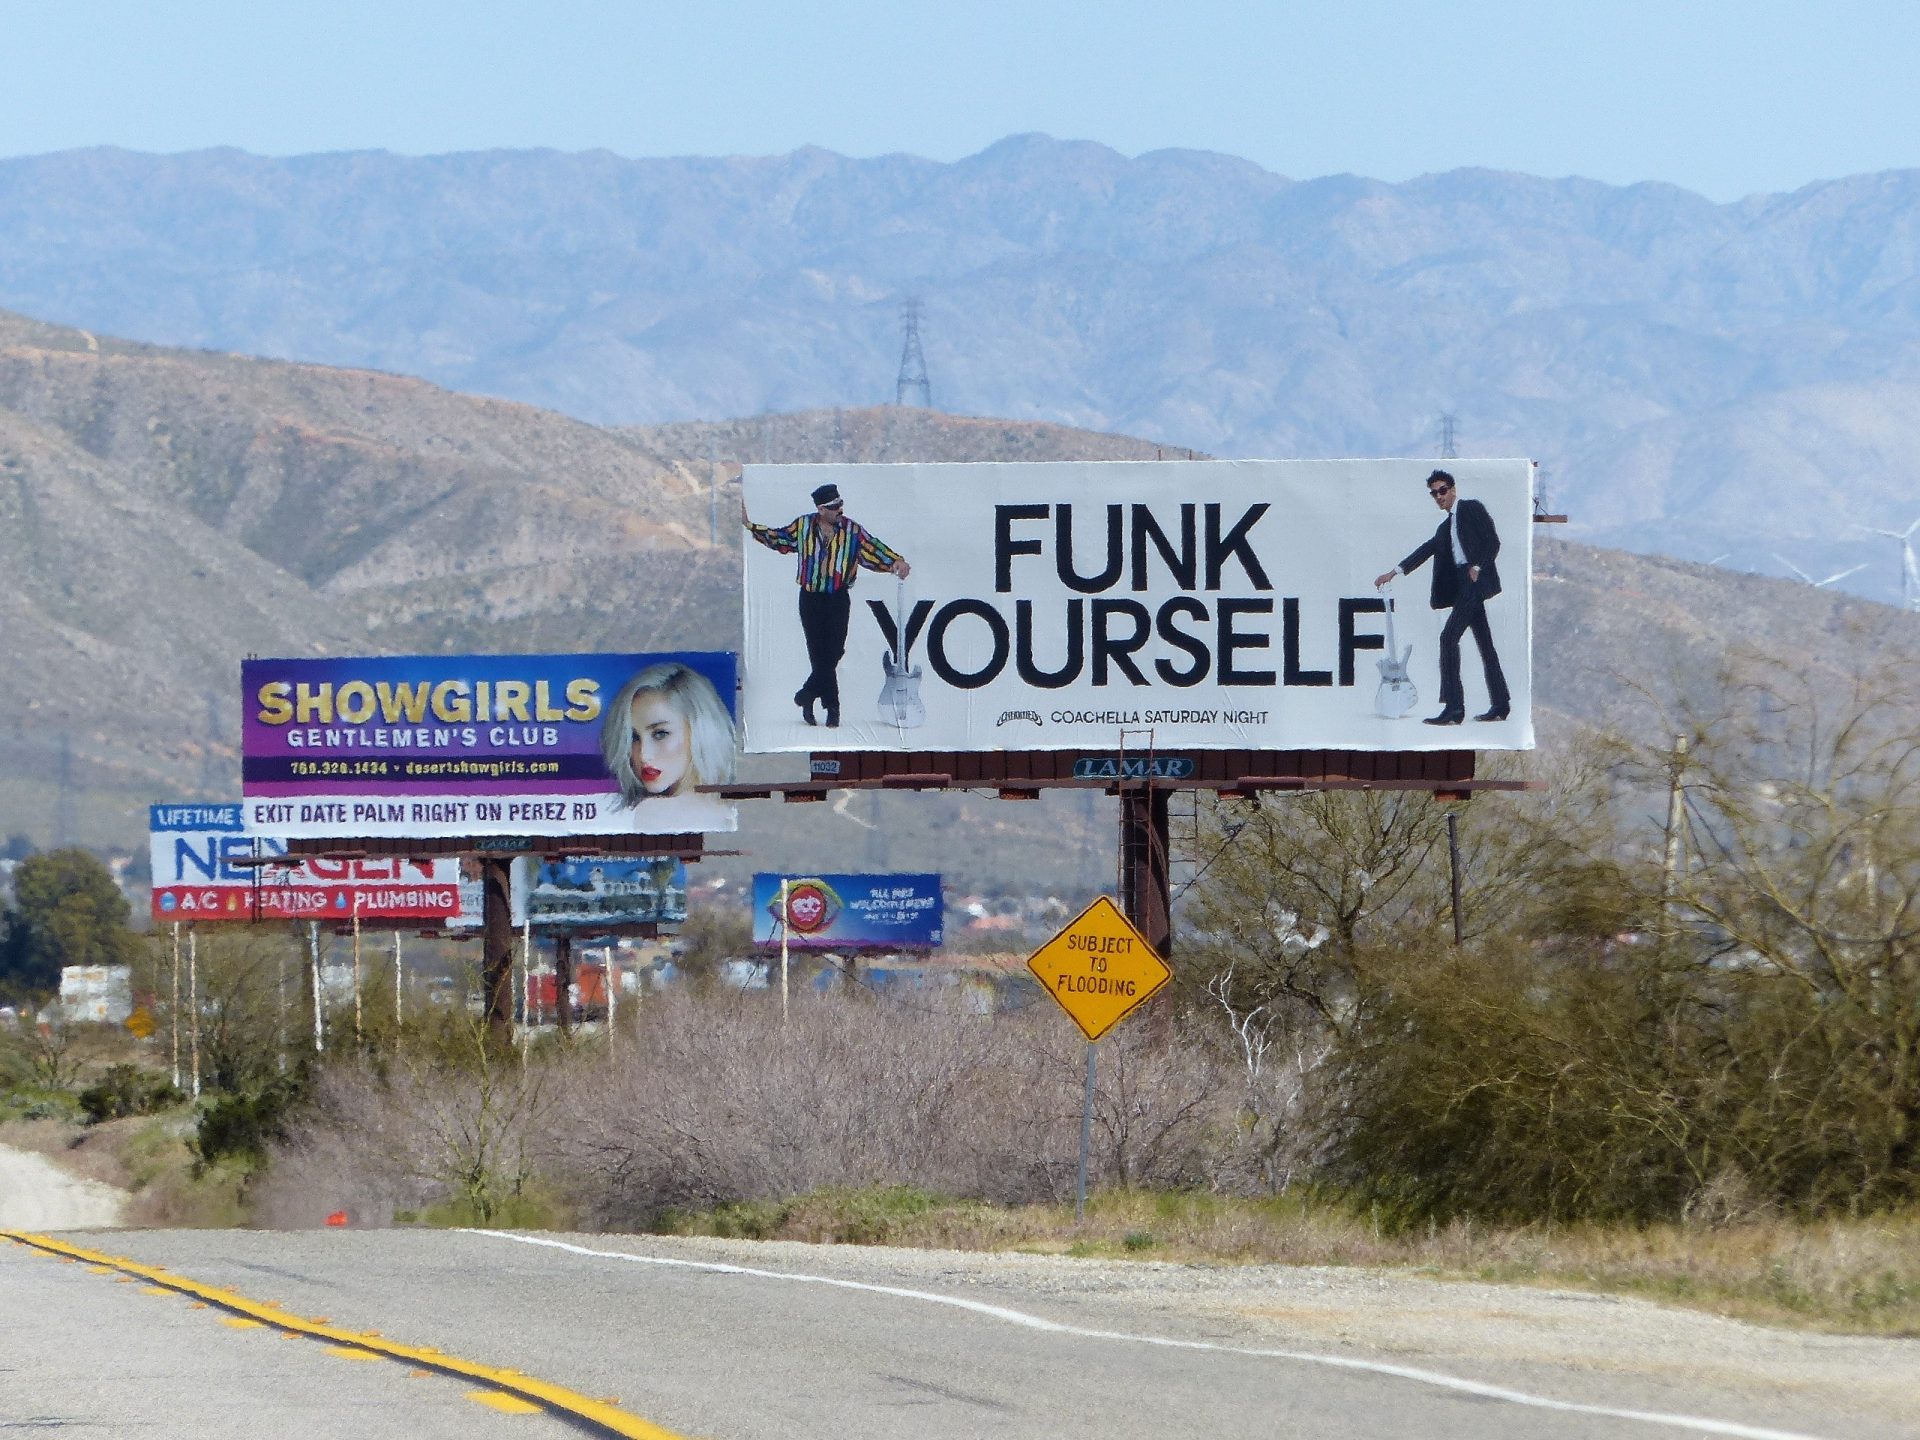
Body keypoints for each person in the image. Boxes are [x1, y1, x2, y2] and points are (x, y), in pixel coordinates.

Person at [742, 481, 911, 727]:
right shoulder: (803, 526)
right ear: (821, 509)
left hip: (837, 597)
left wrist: (895, 561)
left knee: (835, 650)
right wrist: (750, 525)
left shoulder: (852, 530)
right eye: (833, 507)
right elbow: (780, 539)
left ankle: (807, 694)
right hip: (810, 598)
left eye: (840, 504)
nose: (839, 510)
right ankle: (832, 708)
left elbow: (872, 548)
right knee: (818, 654)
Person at [1374, 469, 1510, 725]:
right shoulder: (1445, 527)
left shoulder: (1471, 509)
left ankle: (1454, 707)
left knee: (1448, 638)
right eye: (1434, 493)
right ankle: (1501, 703)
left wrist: (1477, 566)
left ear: (1453, 490)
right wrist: (1393, 573)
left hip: (1473, 582)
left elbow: (1493, 541)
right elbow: (1425, 550)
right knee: (1485, 644)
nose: (1439, 497)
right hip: (1461, 585)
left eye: (1443, 491)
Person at [598, 661, 737, 828]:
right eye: (633, 737)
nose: (644, 755)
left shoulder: (654, 812)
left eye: (660, 734)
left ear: (700, 730)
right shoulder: (726, 809)